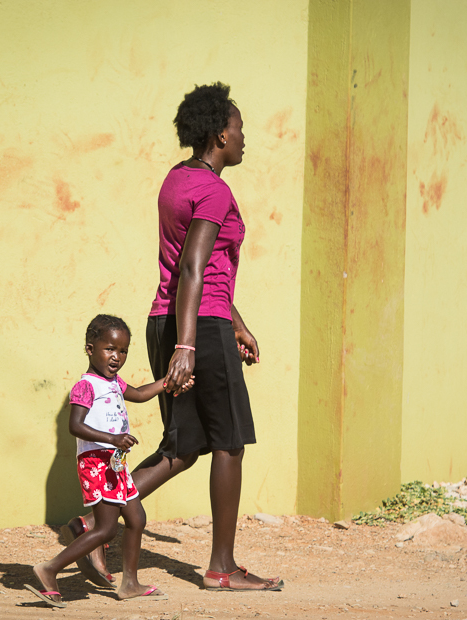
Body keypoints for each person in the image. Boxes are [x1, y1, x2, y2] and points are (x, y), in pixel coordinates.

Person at [65, 82, 282, 592]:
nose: (244, 136)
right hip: (195, 327)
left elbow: (196, 269)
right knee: (228, 443)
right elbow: (193, 267)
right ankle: (222, 567)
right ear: (218, 133)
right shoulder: (216, 190)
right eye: (239, 127)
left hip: (170, 319)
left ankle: (92, 525)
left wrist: (237, 321)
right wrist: (191, 345)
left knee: (183, 446)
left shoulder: (176, 180)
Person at [25, 314, 177, 607]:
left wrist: (169, 382)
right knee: (106, 528)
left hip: (115, 463)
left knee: (136, 518)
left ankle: (130, 583)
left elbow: (142, 393)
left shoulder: (116, 383)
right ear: (90, 348)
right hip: (96, 462)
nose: (116, 357)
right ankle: (49, 569)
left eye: (123, 351)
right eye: (109, 349)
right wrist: (112, 439)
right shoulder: (86, 386)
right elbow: (76, 426)